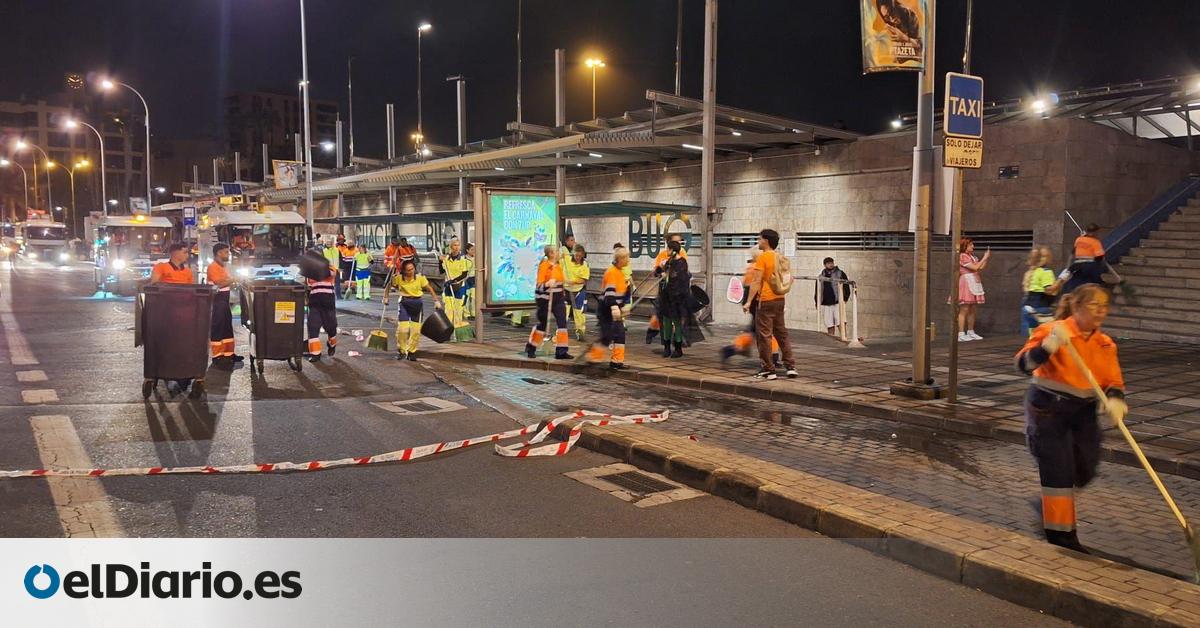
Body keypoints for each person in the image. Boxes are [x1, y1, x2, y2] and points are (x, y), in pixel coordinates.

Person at [1016, 284, 1125, 553]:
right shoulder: (1052, 331)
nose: (1101, 311)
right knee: (1059, 473)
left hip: (1084, 413)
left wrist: (1115, 399)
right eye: (1094, 305)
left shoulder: (1105, 343)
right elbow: (1023, 364)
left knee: (1085, 468)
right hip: (1048, 410)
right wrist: (1048, 346)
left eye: (1105, 305)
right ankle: (1062, 536)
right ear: (1076, 306)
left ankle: (1048, 507)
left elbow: (1112, 379)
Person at [743, 229, 797, 380]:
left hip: (765, 301)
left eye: (759, 239)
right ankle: (790, 366)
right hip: (780, 299)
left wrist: (748, 302)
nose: (758, 242)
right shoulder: (780, 257)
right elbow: (790, 278)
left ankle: (768, 369)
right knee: (782, 334)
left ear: (766, 241)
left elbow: (756, 281)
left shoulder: (763, 258)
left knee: (764, 336)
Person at [723, 249, 781, 367]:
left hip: (758, 304)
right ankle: (772, 357)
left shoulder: (752, 268)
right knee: (765, 331)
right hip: (759, 304)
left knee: (756, 331)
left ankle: (732, 350)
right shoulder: (756, 268)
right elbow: (754, 287)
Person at [383, 258, 441, 361]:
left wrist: (436, 301)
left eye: (412, 269)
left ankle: (411, 352)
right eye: (408, 270)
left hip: (417, 304)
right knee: (403, 330)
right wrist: (386, 297)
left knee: (415, 331)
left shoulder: (420, 278)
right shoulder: (398, 278)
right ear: (403, 270)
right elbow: (388, 285)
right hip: (404, 303)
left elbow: (429, 288)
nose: (411, 271)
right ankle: (401, 350)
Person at [525, 245, 571, 360]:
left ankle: (561, 351)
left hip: (558, 300)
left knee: (562, 324)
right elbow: (539, 286)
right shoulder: (544, 266)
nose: (559, 253)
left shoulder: (558, 266)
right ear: (550, 254)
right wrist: (546, 284)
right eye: (556, 251)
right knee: (543, 325)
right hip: (545, 300)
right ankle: (532, 347)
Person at [587, 248, 631, 370]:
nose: (628, 260)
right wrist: (614, 307)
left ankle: (617, 361)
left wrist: (623, 306)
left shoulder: (620, 272)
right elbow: (610, 293)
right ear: (620, 259)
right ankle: (594, 357)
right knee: (607, 336)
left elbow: (621, 293)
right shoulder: (612, 272)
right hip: (606, 311)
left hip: (615, 310)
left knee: (620, 335)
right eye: (626, 257)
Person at [646, 233, 688, 344]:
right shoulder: (663, 255)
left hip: (677, 290)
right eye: (676, 242)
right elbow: (657, 271)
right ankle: (653, 332)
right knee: (661, 314)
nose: (678, 244)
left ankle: (676, 339)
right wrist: (661, 272)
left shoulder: (682, 255)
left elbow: (683, 271)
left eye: (679, 242)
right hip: (665, 290)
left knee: (677, 316)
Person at [206, 243, 243, 364]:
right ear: (219, 253)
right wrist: (233, 279)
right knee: (218, 326)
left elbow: (225, 281)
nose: (228, 254)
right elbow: (219, 283)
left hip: (224, 298)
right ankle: (217, 355)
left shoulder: (222, 266)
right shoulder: (213, 267)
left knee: (227, 326)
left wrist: (232, 280)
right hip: (217, 298)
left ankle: (228, 354)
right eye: (226, 252)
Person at [304, 250, 339, 362]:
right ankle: (315, 354)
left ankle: (332, 344)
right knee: (313, 326)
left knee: (331, 327)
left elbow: (330, 274)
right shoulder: (309, 273)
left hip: (327, 301)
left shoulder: (330, 268)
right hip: (315, 301)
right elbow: (308, 284)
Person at [1021, 246, 1065, 337]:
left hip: (1027, 308)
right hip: (1041, 308)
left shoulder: (1031, 272)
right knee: (1054, 335)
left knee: (1033, 337)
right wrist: (1061, 279)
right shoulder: (1046, 272)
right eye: (1047, 256)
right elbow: (1049, 290)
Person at [956, 237, 991, 342]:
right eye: (971, 245)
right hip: (966, 281)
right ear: (965, 246)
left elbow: (980, 267)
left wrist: (986, 258)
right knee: (964, 308)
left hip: (974, 280)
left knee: (973, 309)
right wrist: (984, 258)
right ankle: (961, 333)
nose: (973, 246)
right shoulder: (962, 256)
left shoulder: (972, 257)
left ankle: (971, 331)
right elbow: (975, 268)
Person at [1063, 223, 1106, 294]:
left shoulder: (1078, 239)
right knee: (1096, 283)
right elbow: (1099, 258)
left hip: (1076, 266)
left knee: (1076, 284)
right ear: (1095, 232)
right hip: (1090, 267)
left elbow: (1073, 252)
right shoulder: (1096, 242)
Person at [815, 257, 852, 337]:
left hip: (837, 301)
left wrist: (845, 297)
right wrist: (816, 301)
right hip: (826, 302)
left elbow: (846, 285)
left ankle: (844, 337)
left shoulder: (840, 273)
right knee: (829, 323)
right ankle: (831, 339)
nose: (830, 264)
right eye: (828, 263)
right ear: (825, 265)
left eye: (831, 263)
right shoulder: (821, 276)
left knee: (840, 320)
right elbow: (817, 289)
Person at [441, 238, 472, 328]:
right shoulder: (446, 258)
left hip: (459, 287)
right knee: (448, 310)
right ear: (450, 246)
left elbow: (464, 274)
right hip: (448, 287)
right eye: (454, 245)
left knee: (458, 310)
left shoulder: (463, 259)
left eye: (458, 245)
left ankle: (457, 330)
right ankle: (448, 330)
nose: (456, 247)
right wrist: (440, 261)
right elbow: (442, 271)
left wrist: (453, 281)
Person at [563, 244, 591, 340]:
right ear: (573, 254)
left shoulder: (585, 265)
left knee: (579, 313)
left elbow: (584, 280)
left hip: (578, 291)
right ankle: (561, 330)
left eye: (580, 256)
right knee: (563, 312)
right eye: (576, 256)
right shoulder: (566, 260)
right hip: (566, 290)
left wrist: (573, 281)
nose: (578, 258)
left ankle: (580, 331)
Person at [463, 242, 477, 318]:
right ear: (467, 250)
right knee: (467, 297)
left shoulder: (477, 258)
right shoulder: (463, 259)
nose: (473, 251)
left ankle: (474, 313)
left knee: (474, 297)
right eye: (471, 249)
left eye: (474, 249)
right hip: (466, 279)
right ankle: (467, 314)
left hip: (474, 279)